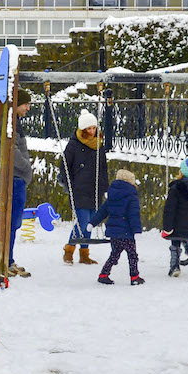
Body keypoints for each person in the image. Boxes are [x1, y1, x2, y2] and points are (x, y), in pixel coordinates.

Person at [0, 92, 33, 277]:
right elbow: (11, 150)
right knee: (8, 221)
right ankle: (3, 262)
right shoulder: (8, 122)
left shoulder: (11, 120)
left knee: (11, 222)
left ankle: (7, 260)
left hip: (13, 176)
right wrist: (27, 166)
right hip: (12, 176)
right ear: (17, 104)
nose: (28, 108)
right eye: (25, 104)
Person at [61, 109, 109, 266]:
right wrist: (69, 184)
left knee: (91, 222)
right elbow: (65, 166)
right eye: (89, 128)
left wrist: (105, 187)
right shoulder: (74, 145)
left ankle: (84, 253)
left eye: (94, 128)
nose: (92, 131)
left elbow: (103, 168)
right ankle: (69, 250)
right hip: (79, 189)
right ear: (83, 129)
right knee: (83, 221)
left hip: (94, 189)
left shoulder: (99, 145)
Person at [89, 168, 143, 285]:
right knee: (132, 255)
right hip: (127, 233)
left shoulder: (112, 195)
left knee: (114, 255)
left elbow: (102, 212)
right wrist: (137, 231)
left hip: (114, 233)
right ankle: (134, 277)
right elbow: (133, 215)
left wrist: (92, 223)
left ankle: (103, 275)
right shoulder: (131, 196)